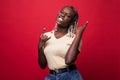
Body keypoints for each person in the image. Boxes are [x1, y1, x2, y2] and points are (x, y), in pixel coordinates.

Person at [38, 5, 88, 80]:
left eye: (67, 15)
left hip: (70, 76)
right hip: (52, 77)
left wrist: (79, 35)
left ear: (72, 22)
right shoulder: (46, 36)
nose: (62, 15)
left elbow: (69, 60)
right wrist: (39, 47)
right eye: (62, 12)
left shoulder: (74, 38)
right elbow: (42, 65)